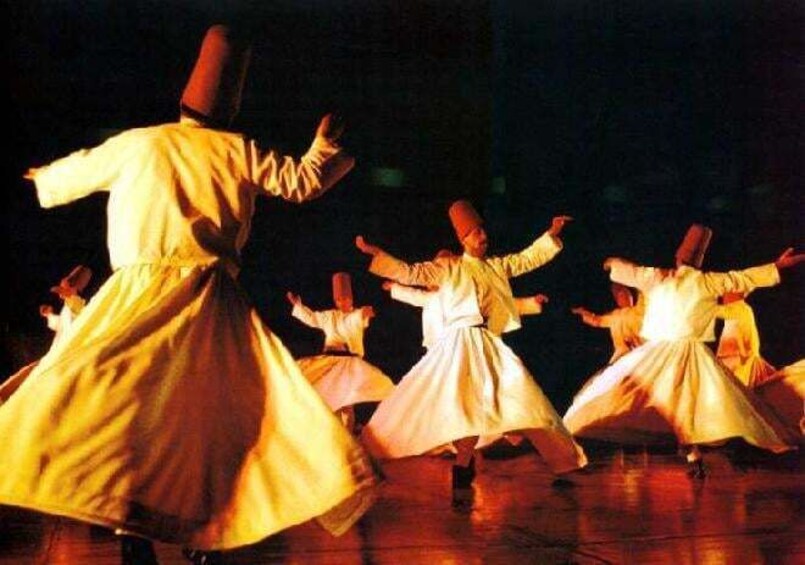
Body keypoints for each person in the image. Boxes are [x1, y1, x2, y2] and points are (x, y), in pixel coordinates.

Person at [1, 25, 380, 565]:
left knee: (118, 406)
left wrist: (45, 176)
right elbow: (302, 181)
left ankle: (138, 532)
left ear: (184, 98)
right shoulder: (238, 148)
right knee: (208, 421)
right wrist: (325, 147)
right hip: (207, 298)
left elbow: (76, 170)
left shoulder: (140, 142)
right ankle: (195, 534)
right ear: (232, 103)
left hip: (141, 294)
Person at [355, 200, 587, 495]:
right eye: (475, 233)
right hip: (458, 344)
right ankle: (380, 451)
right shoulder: (448, 268)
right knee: (444, 402)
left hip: (488, 342)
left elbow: (527, 259)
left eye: (483, 231)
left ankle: (563, 460)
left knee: (527, 397)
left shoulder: (496, 266)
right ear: (463, 239)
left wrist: (551, 233)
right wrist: (378, 256)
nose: (483, 236)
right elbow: (411, 273)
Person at [563, 224, 802, 478]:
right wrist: (777, 266)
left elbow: (632, 273)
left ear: (679, 257)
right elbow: (742, 278)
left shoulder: (661, 277)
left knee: (622, 393)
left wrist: (613, 263)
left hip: (663, 352)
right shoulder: (704, 281)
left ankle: (573, 432)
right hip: (687, 353)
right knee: (683, 406)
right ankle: (693, 455)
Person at [286, 272, 395, 433]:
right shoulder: (329, 316)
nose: (342, 302)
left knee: (347, 402)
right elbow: (312, 318)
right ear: (336, 301)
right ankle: (328, 432)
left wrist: (364, 313)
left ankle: (348, 434)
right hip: (330, 361)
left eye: (345, 299)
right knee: (327, 398)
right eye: (339, 300)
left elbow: (355, 320)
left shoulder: (353, 315)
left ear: (351, 299)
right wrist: (298, 306)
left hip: (348, 364)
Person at [0, 265, 93, 403]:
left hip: (60, 360)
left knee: (24, 381)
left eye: (67, 281)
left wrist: (71, 295)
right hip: (52, 358)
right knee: (23, 378)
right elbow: (59, 324)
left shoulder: (78, 306)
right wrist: (48, 314)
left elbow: (77, 307)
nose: (62, 284)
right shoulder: (68, 309)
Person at [571, 282, 645, 364]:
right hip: (625, 351)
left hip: (644, 344)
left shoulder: (640, 308)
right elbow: (597, 321)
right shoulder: (615, 315)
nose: (621, 297)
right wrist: (582, 312)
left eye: (622, 293)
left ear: (629, 293)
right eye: (617, 295)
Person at [715, 291, 776, 387]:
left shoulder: (739, 309)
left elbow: (751, 333)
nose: (723, 297)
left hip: (739, 359)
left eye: (726, 294)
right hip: (733, 356)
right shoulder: (739, 309)